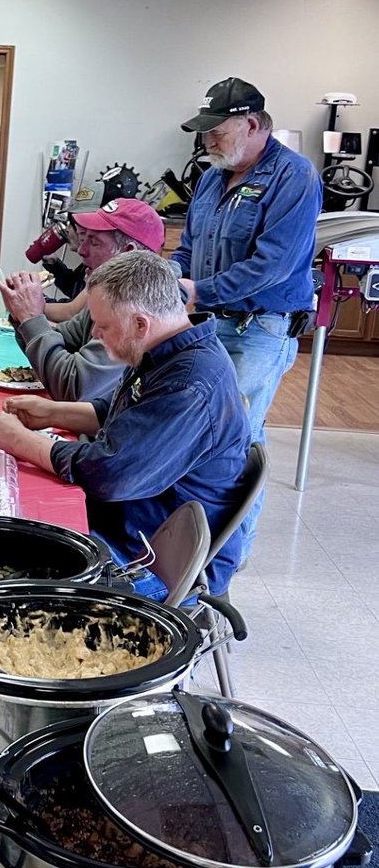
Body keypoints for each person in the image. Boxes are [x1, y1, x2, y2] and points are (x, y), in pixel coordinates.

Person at [0, 252, 251, 598]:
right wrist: (53, 412)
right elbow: (124, 410)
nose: (94, 333)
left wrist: (20, 441)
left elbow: (109, 474)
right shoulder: (171, 348)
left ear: (139, 324)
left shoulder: (188, 384)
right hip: (137, 526)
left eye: (103, 326)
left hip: (151, 560)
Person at [173, 77, 322, 555]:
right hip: (207, 325)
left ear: (253, 123)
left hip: (257, 329)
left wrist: (200, 289)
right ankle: (189, 549)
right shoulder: (214, 177)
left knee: (234, 445)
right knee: (195, 436)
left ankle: (225, 563)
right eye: (205, 132)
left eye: (217, 130)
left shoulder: (294, 177)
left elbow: (272, 264)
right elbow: (189, 249)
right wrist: (168, 281)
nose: (208, 141)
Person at [3, 198, 166, 402]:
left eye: (95, 242)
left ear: (128, 253)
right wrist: (22, 316)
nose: (81, 250)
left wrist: (31, 317)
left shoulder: (134, 308)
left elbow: (73, 388)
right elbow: (63, 341)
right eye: (84, 238)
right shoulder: (109, 294)